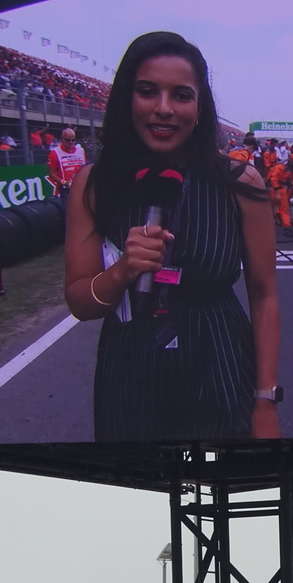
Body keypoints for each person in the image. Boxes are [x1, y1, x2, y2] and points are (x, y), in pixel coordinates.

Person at [64, 31, 281, 442]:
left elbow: (265, 294)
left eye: (181, 95)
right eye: (148, 92)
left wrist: (265, 400)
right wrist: (123, 270)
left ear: (199, 108)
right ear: (128, 98)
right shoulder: (93, 184)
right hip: (128, 374)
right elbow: (80, 303)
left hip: (221, 365)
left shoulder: (240, 183)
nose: (164, 109)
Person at [47, 127, 87, 207]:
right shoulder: (55, 153)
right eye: (68, 140)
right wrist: (64, 182)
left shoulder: (81, 151)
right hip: (67, 189)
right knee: (70, 212)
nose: (71, 142)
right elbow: (51, 173)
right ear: (62, 139)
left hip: (82, 187)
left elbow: (85, 168)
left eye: (73, 140)